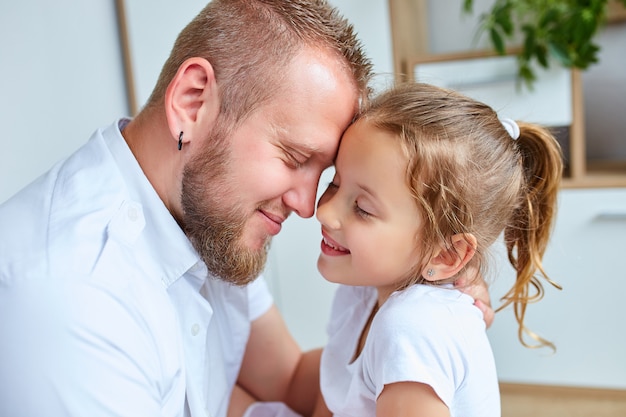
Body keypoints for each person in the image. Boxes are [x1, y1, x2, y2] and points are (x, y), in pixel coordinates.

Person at [0, 2, 491, 417]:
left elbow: (292, 381)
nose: (308, 206)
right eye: (296, 158)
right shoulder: (69, 300)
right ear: (193, 102)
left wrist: (411, 324)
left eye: (322, 174)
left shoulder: (208, 218)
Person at [310, 82, 563, 417]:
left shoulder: (411, 328)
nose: (323, 211)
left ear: (446, 256)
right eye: (335, 183)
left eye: (363, 208)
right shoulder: (363, 292)